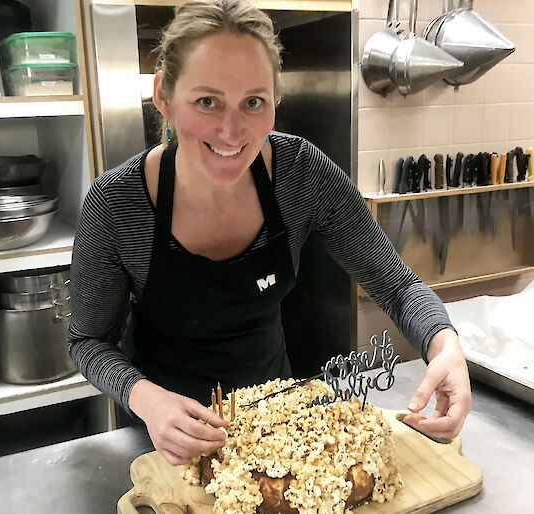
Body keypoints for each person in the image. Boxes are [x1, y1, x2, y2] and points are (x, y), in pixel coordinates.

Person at [68, 0, 471, 467]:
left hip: (278, 429)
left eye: (253, 102)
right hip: (165, 442)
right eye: (206, 101)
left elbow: (396, 285)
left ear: (275, 101)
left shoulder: (301, 175)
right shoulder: (118, 202)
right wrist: (145, 398)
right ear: (163, 96)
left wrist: (444, 343)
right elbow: (88, 342)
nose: (232, 129)